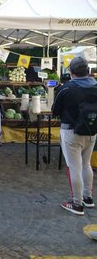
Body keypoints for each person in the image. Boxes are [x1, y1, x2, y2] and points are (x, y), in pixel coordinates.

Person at [52, 56, 96, 216]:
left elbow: (55, 110)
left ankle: (77, 204)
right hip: (92, 131)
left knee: (74, 167)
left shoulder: (66, 88)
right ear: (88, 71)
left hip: (71, 131)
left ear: (71, 71)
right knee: (86, 164)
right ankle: (88, 198)